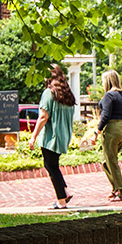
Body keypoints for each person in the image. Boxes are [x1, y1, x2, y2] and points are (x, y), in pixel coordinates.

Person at [29, 64, 76, 209]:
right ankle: (64, 192)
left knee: (50, 166)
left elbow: (43, 117)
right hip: (63, 136)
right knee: (53, 165)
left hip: (51, 137)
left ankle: (61, 200)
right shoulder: (67, 94)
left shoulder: (49, 93)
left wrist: (33, 136)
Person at [93, 69, 122, 201]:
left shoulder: (109, 95)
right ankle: (115, 188)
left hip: (112, 129)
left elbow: (106, 115)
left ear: (107, 81)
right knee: (106, 162)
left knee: (111, 161)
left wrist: (96, 132)